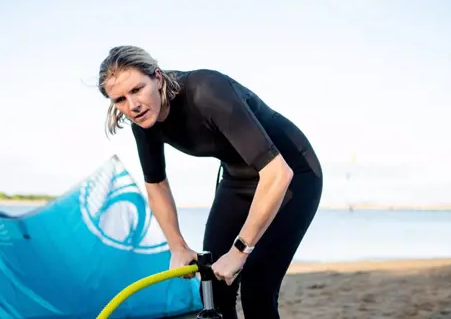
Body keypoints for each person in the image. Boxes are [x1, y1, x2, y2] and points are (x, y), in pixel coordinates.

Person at [97, 45, 323, 319]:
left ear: (157, 77)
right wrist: (177, 246)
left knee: (257, 287)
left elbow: (277, 173)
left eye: (136, 89)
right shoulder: (143, 121)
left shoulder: (206, 91)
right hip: (238, 178)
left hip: (292, 175)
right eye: (119, 99)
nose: (132, 105)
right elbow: (156, 184)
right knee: (213, 289)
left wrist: (240, 249)